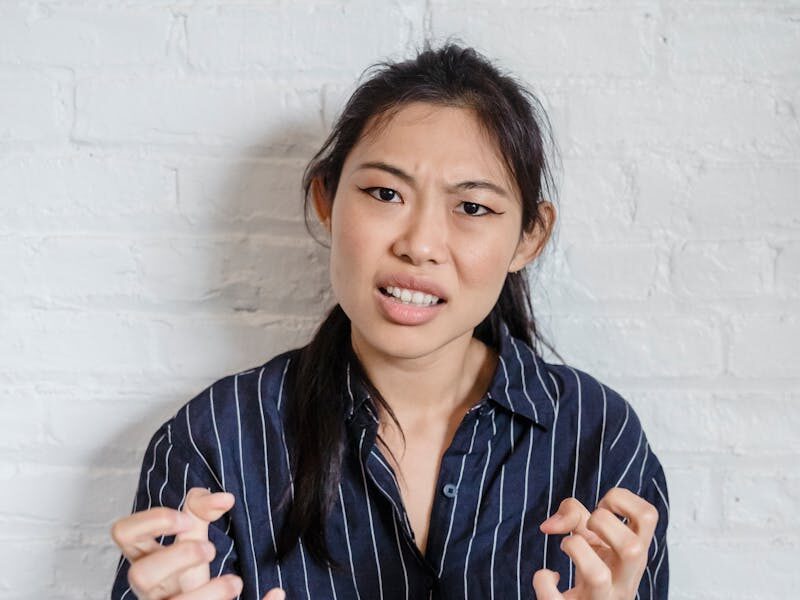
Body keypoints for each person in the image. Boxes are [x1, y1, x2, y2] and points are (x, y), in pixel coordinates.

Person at [109, 41, 669, 600]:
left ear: (529, 238)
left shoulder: (600, 436)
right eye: (385, 193)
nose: (420, 245)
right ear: (327, 200)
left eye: (472, 207)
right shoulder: (214, 440)